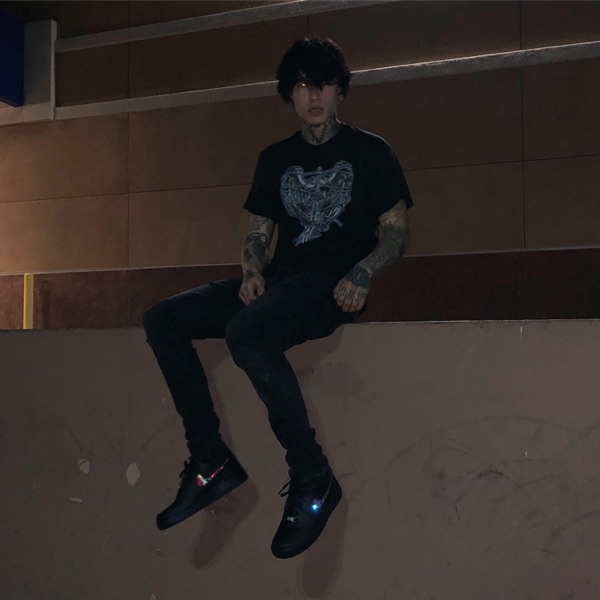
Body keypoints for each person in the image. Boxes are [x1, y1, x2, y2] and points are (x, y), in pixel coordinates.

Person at [143, 35, 413, 559]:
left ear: (340, 91)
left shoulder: (370, 151)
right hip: (281, 282)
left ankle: (313, 474)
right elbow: (258, 233)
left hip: (330, 286)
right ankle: (210, 460)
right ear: (289, 93)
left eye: (324, 85)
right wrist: (250, 272)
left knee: (247, 333)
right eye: (303, 86)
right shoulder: (275, 159)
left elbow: (397, 233)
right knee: (163, 319)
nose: (314, 96)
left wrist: (363, 272)